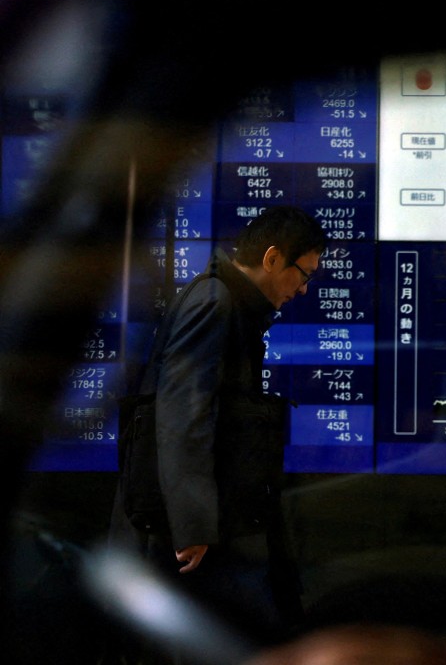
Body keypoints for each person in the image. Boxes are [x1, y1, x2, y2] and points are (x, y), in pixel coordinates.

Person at [110, 205, 327, 644]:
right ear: (271, 258)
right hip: (174, 531)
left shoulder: (227, 303)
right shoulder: (215, 302)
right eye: (303, 274)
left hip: (182, 526)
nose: (303, 289)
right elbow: (182, 415)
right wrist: (192, 524)